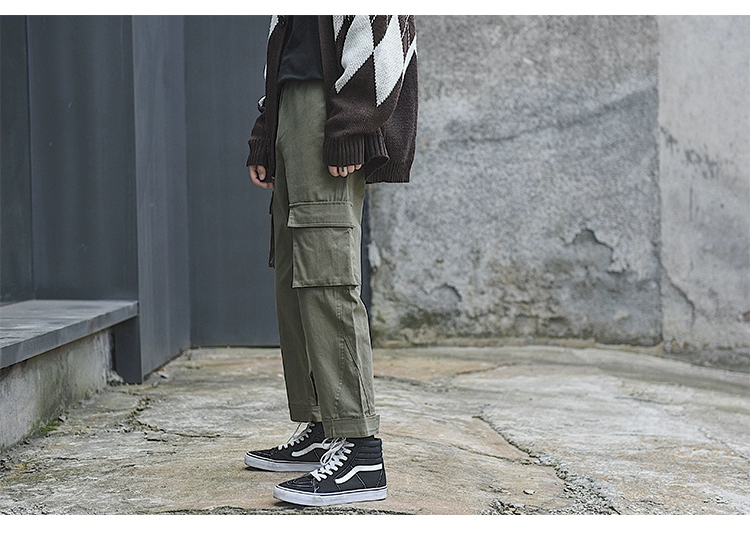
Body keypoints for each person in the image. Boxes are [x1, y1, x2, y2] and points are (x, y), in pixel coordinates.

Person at [243, 15, 418, 507]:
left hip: (332, 102)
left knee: (327, 272)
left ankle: (360, 448)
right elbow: (285, 42)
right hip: (293, 104)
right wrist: (266, 130)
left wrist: (355, 121)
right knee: (294, 270)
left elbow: (383, 22)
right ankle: (324, 425)